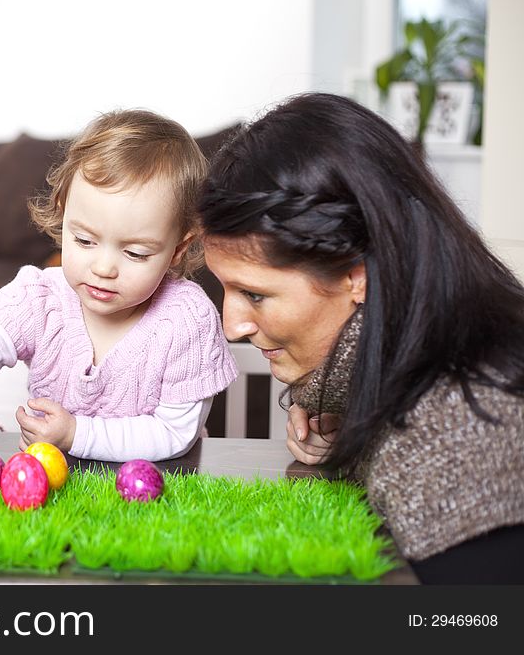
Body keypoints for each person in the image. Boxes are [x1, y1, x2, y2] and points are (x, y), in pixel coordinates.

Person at [197, 91, 524, 584]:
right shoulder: (412, 359)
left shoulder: (463, 433)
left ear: (357, 276)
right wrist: (349, 430)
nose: (232, 325)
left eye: (256, 295)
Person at [0, 109, 237, 462]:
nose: (104, 268)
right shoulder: (41, 297)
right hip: (53, 484)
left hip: (158, 486)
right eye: (84, 240)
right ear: (63, 216)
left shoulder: (187, 318)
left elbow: (174, 433)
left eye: (136, 253)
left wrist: (75, 434)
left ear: (177, 250)